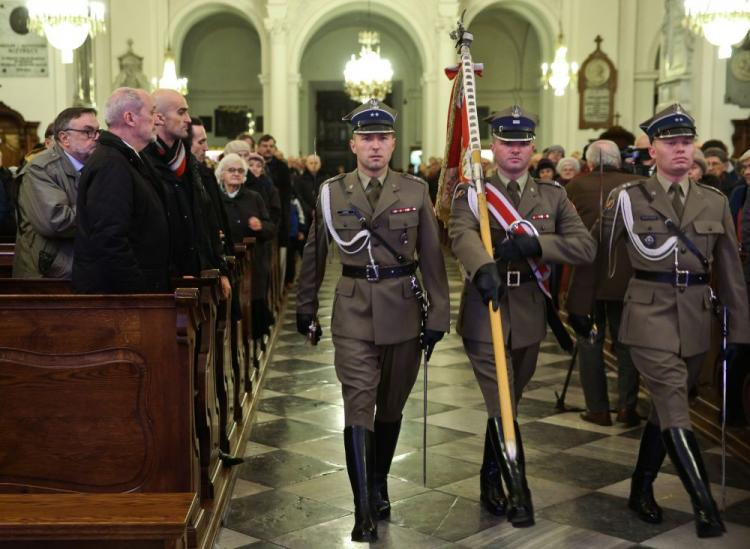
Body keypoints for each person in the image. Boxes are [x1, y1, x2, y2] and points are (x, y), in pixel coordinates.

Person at [296, 99, 450, 542]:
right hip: (353, 310)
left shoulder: (415, 190)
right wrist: (305, 306)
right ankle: (363, 508)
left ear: (393, 142)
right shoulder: (332, 191)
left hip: (403, 308)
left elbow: (433, 260)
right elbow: (315, 252)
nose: (375, 146)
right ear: (354, 144)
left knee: (391, 407)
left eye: (382, 138)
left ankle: (379, 481)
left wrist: (439, 312)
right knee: (358, 404)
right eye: (367, 138)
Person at [601, 104, 750, 538]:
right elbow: (601, 258)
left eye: (687, 142)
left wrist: (740, 330)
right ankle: (705, 507)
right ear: (653, 150)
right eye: (671, 143)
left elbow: (731, 273)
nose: (681, 150)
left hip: (694, 320)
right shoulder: (628, 198)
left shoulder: (714, 201)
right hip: (648, 314)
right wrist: (585, 312)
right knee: (672, 402)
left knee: (667, 409)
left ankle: (640, 488)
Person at [449, 105, 596, 528]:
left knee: (507, 403)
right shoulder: (473, 192)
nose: (514, 150)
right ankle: (519, 493)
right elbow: (460, 233)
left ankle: (489, 477)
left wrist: (536, 247)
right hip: (487, 307)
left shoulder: (554, 196)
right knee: (503, 402)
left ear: (532, 147)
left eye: (522, 143)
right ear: (493, 146)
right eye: (506, 142)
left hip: (530, 309)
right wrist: (484, 266)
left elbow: (584, 247)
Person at [564, 140, 640, 427]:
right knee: (626, 342)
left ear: (590, 163)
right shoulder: (639, 184)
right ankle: (627, 408)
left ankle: (598, 408)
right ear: (619, 160)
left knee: (590, 341)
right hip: (629, 278)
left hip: (589, 275)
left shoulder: (576, 186)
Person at [73, 87, 170, 293]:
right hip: (122, 297)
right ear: (130, 118)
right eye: (152, 112)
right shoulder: (111, 163)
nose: (158, 120)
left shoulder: (128, 158)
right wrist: (137, 292)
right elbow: (109, 238)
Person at [143, 89, 230, 298]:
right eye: (181, 112)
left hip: (199, 271)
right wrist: (173, 274)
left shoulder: (188, 162)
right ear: (158, 118)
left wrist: (221, 270)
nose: (188, 120)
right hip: (167, 279)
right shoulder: (145, 161)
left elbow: (208, 219)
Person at [13, 107, 99, 278]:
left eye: (98, 132)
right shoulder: (40, 169)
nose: (96, 138)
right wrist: (103, 211)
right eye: (88, 132)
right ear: (64, 138)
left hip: (79, 267)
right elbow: (56, 221)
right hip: (48, 274)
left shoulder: (96, 165)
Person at [257, 134, 291, 276]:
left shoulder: (282, 167)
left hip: (278, 212)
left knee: (278, 259)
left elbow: (286, 195)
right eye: (265, 146)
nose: (268, 149)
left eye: (271, 146)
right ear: (258, 147)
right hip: (260, 213)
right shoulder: (252, 164)